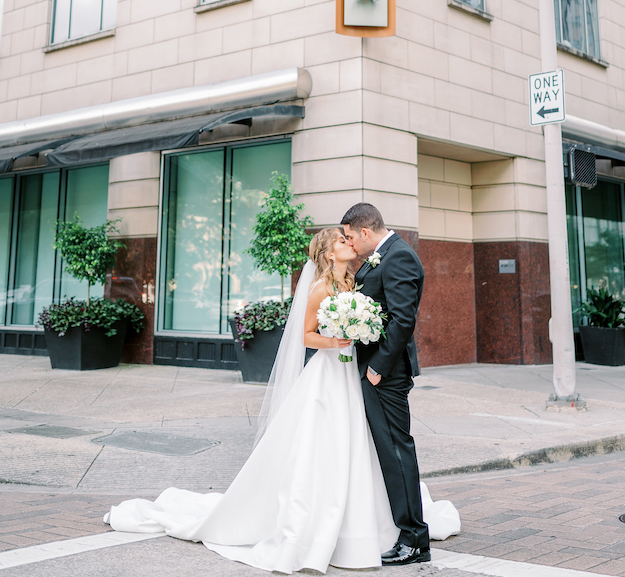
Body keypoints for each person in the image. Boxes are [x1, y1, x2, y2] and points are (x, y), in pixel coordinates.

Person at [103, 228, 459, 573]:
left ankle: (369, 518)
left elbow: (388, 316)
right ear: (327, 252)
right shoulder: (320, 288)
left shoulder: (356, 279)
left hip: (354, 374)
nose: (347, 242)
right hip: (329, 372)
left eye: (348, 236)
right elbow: (306, 336)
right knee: (323, 444)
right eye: (341, 239)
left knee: (358, 444)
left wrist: (358, 332)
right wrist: (336, 340)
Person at [341, 202, 429, 565]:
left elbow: (403, 320)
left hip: (385, 375)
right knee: (389, 451)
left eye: (349, 236)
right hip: (375, 370)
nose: (349, 243)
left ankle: (414, 541)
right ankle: (405, 533)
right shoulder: (384, 255)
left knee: (396, 450)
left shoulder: (399, 257)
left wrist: (377, 367)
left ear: (365, 231)